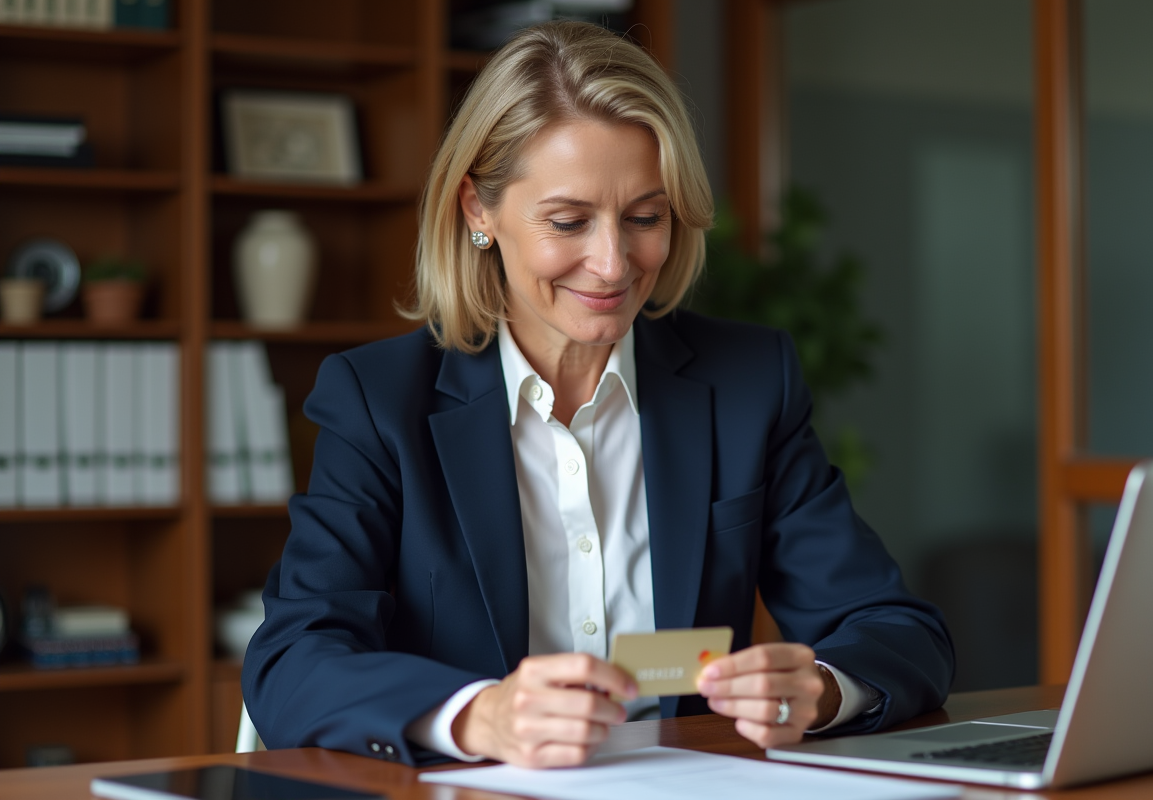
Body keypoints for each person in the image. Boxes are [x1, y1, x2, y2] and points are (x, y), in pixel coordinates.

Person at [242, 20, 954, 769]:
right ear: (477, 212)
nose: (614, 263)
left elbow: (900, 631)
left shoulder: (747, 383)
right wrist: (480, 718)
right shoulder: (378, 401)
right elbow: (292, 662)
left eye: (645, 217)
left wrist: (823, 688)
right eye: (568, 221)